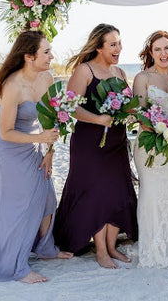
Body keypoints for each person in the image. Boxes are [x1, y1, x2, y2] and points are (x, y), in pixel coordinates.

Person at [0, 30, 73, 284]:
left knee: (47, 197)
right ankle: (14, 266)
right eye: (46, 52)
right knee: (18, 207)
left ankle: (45, 249)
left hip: (36, 146)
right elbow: (5, 132)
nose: (52, 56)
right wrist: (39, 139)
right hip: (11, 150)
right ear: (29, 56)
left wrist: (49, 152)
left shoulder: (47, 77)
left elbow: (52, 118)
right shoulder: (13, 85)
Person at [53, 24, 138, 269]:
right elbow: (70, 107)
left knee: (117, 191)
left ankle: (112, 247)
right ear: (99, 47)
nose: (118, 48)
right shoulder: (84, 70)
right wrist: (99, 118)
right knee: (96, 194)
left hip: (116, 141)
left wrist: (134, 113)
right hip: (90, 142)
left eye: (119, 43)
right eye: (112, 44)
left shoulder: (121, 73)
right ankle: (101, 250)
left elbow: (128, 105)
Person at [133, 31, 168, 268]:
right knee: (151, 195)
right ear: (150, 53)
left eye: (167, 48)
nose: (164, 53)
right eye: (158, 49)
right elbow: (140, 112)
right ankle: (151, 248)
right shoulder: (143, 77)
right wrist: (159, 131)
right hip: (149, 144)